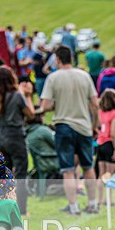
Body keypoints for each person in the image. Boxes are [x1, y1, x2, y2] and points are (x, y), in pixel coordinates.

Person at [39, 45, 100, 215]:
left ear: (57, 59)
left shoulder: (53, 78)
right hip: (84, 126)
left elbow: (46, 105)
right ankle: (93, 203)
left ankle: (73, 206)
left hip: (64, 125)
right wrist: (95, 125)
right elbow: (95, 103)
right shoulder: (84, 76)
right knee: (88, 167)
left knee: (68, 170)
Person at [0, 67, 34, 215]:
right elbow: (30, 115)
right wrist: (27, 95)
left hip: (0, 135)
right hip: (15, 135)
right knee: (21, 173)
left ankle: (4, 207)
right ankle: (21, 209)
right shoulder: (17, 95)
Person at [95, 89, 115, 207]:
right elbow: (113, 132)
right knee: (110, 176)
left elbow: (98, 127)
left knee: (100, 174)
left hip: (100, 144)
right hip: (109, 144)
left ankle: (100, 199)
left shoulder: (100, 112)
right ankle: (109, 200)